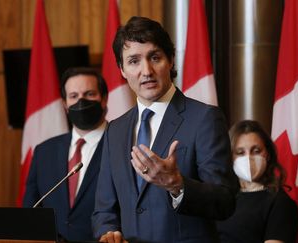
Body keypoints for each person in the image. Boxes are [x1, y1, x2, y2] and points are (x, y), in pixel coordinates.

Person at [92, 16, 239, 243]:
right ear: (122, 69)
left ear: (170, 60)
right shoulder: (116, 130)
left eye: (155, 57)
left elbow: (225, 201)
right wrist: (108, 232)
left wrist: (177, 184)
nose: (147, 71)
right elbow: (104, 208)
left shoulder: (204, 118)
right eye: (134, 61)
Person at [23, 67, 108, 242]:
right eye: (74, 96)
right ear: (64, 104)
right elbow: (31, 210)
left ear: (104, 99)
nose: (81, 101)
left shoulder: (123, 144)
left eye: (90, 94)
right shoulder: (44, 152)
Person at [217, 120, 298, 243]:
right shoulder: (222, 196)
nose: (248, 158)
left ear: (268, 154)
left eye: (256, 151)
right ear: (230, 157)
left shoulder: (280, 203)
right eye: (240, 153)